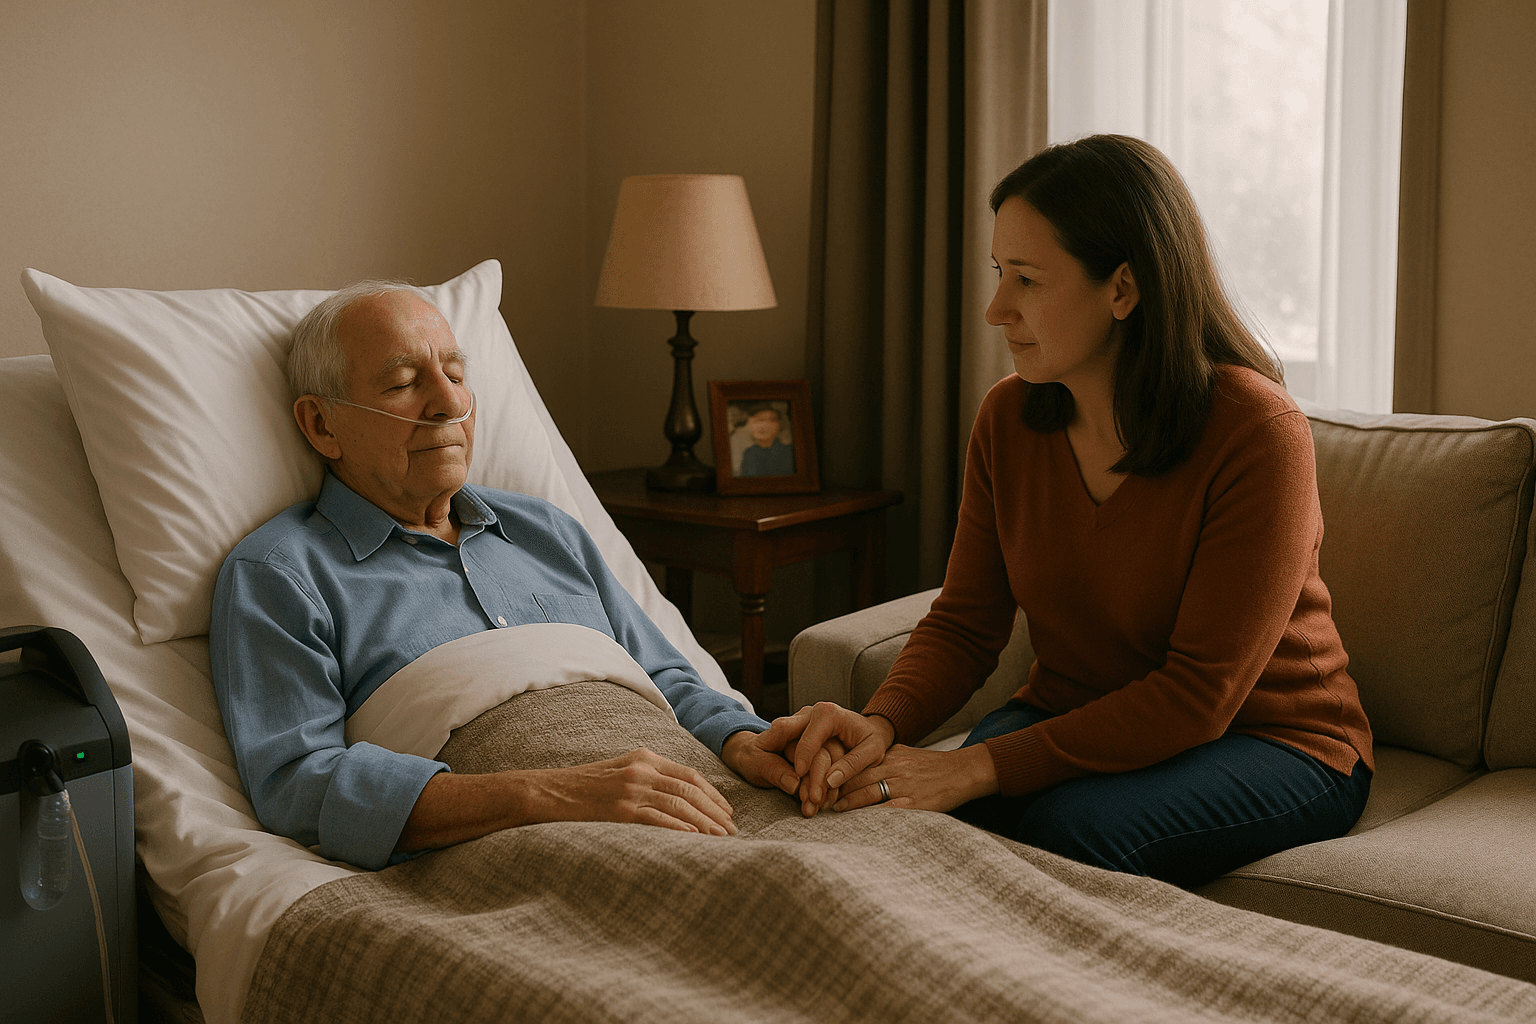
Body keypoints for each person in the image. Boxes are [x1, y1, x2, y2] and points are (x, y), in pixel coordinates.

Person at [765, 134, 1375, 888]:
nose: (995, 309)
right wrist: (882, 723)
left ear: (1122, 289)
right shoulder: (1008, 420)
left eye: (1026, 279)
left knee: (1066, 834)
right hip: (1076, 711)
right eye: (998, 273)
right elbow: (965, 621)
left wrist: (979, 765)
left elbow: (1197, 697)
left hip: (1279, 740)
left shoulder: (1256, 432)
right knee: (898, 819)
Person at [210, 283, 808, 871]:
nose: (449, 404)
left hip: (697, 795)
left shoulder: (547, 530)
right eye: (401, 383)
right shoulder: (281, 574)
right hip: (529, 844)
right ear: (321, 426)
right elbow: (299, 785)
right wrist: (554, 795)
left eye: (456, 374)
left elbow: (667, 678)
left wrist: (747, 740)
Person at [737, 406, 796, 477]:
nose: (762, 426)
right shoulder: (749, 453)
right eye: (757, 421)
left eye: (771, 420)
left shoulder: (789, 452)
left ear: (779, 425)